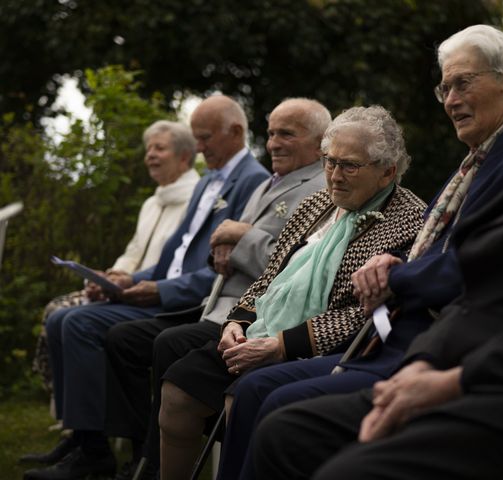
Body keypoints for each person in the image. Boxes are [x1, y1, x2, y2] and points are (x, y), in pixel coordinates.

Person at [253, 1, 503, 478]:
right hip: (478, 364)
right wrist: (428, 360)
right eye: (446, 87)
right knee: (287, 428)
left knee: (323, 450)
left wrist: (456, 376)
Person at [157, 105, 427, 480]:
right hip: (261, 330)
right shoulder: (315, 205)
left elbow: (365, 314)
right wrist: (237, 322)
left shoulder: (410, 222)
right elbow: (270, 277)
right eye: (329, 162)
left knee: (244, 397)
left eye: (349, 166)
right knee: (178, 391)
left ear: (387, 172)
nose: (333, 175)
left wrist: (283, 344)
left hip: (321, 347)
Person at [22, 95, 270, 480]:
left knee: (81, 324)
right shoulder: (208, 182)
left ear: (236, 132)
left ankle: (106, 450)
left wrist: (158, 291)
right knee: (66, 318)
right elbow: (175, 253)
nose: (199, 147)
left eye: (204, 138)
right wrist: (128, 279)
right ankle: (97, 443)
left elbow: (221, 270)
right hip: (166, 290)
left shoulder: (253, 180)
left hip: (192, 301)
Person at [103, 97, 330, 479]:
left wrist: (242, 237)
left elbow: (293, 267)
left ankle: (157, 462)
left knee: (168, 344)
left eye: (287, 134)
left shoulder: (320, 186)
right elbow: (218, 248)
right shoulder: (272, 182)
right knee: (138, 340)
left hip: (256, 315)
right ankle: (139, 455)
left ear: (321, 141)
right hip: (226, 304)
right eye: (271, 132)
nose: (273, 143)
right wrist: (225, 248)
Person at [30, 120, 200, 418]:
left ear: (184, 157)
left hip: (154, 297)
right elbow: (133, 251)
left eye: (159, 148)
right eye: (148, 149)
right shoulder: (152, 202)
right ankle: (76, 431)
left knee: (71, 319)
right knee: (56, 315)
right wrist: (109, 277)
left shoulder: (197, 200)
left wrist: (127, 283)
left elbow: (173, 265)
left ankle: (91, 437)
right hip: (127, 288)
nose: (150, 155)